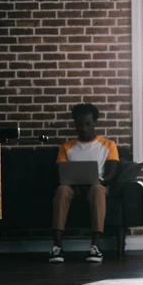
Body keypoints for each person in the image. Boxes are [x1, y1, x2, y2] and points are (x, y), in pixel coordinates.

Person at [50, 103, 119, 263]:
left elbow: (112, 173)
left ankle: (95, 247)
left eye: (88, 124)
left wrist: (101, 180)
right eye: (79, 125)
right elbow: (60, 172)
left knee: (97, 189)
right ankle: (57, 247)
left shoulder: (108, 145)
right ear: (75, 124)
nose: (84, 128)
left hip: (97, 185)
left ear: (95, 123)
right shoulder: (66, 147)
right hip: (72, 187)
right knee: (62, 190)